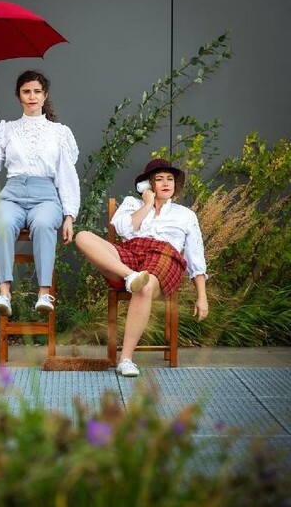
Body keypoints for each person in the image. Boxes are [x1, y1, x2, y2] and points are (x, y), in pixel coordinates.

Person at [75, 158, 208, 377]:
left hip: (165, 257)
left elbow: (196, 258)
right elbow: (124, 229)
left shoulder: (186, 215)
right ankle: (131, 276)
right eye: (159, 179)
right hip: (132, 254)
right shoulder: (131, 204)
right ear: (148, 185)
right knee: (83, 236)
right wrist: (147, 205)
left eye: (170, 179)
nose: (166, 183)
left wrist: (201, 296)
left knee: (144, 287)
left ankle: (125, 359)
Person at [0, 70, 80, 316]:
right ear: (19, 96)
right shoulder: (8, 129)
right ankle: (4, 294)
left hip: (46, 197)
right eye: (26, 91)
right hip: (13, 194)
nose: (32, 96)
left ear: (45, 96)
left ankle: (44, 294)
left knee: (43, 224)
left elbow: (66, 176)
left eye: (37, 91)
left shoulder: (60, 132)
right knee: (4, 222)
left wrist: (69, 216)